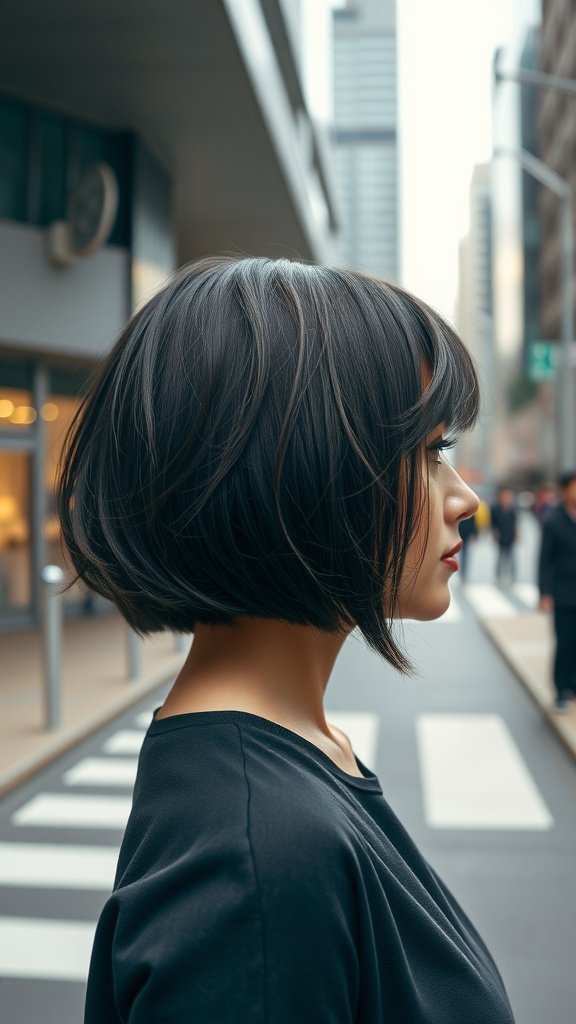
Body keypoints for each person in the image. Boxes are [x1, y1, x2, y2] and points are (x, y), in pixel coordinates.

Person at [55, 257, 517, 1023]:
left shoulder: (285, 757)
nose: (464, 496)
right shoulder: (259, 861)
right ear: (303, 468)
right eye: (431, 453)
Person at [538, 470, 576, 712]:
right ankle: (561, 689)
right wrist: (544, 593)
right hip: (563, 594)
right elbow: (544, 560)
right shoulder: (553, 519)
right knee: (564, 642)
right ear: (564, 491)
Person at [490, 486, 518, 585]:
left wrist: (517, 534)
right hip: (500, 536)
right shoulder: (495, 508)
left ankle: (512, 577)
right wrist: (493, 532)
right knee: (500, 557)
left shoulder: (512, 509)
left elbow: (515, 523)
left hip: (510, 535)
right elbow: (492, 523)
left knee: (511, 557)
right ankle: (498, 576)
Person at [457, 510, 478, 581]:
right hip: (460, 535)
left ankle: (464, 574)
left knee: (466, 556)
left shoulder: (470, 510)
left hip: (467, 536)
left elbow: (474, 523)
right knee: (461, 555)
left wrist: (475, 534)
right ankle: (461, 573)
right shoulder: (459, 510)